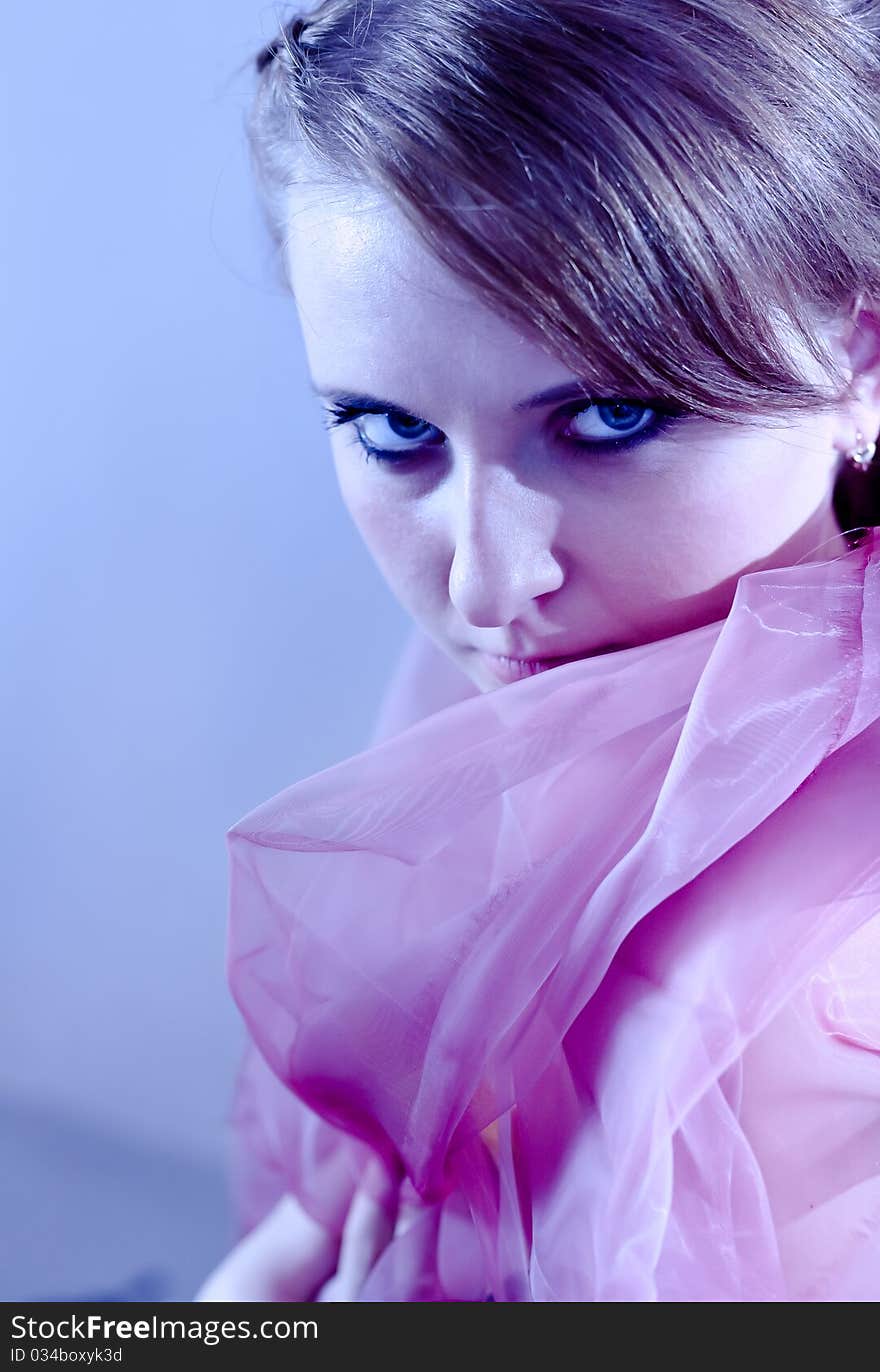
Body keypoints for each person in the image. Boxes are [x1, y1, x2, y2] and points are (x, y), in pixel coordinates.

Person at [197, 0, 880, 1301]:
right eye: (391, 432)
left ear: (864, 349)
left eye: (613, 418)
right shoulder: (551, 700)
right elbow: (371, 1196)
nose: (484, 580)